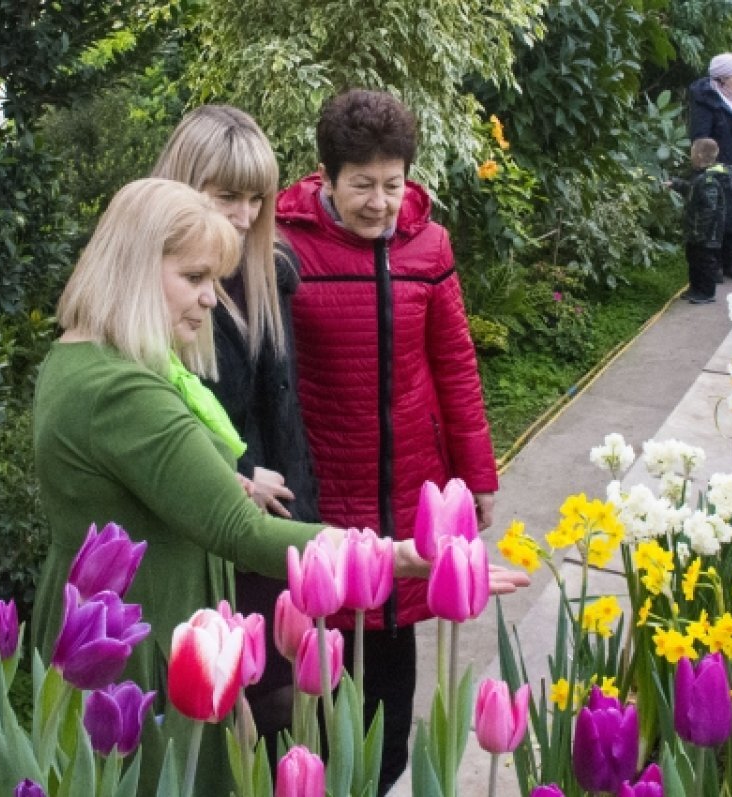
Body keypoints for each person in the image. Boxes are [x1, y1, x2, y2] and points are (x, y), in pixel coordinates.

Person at [29, 178, 442, 792]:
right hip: (141, 638)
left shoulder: (77, 359)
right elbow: (238, 530)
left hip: (102, 621)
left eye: (214, 282)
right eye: (194, 279)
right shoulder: (122, 391)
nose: (209, 301)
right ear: (137, 268)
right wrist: (390, 554)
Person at [275, 89, 499, 794]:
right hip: (323, 491)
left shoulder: (428, 244)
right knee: (320, 700)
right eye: (362, 185)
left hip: (409, 489)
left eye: (393, 184)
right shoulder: (286, 247)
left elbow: (455, 361)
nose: (380, 203)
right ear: (327, 176)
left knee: (390, 717)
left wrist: (476, 472)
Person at [151, 105, 320, 750]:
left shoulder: (267, 273)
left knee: (289, 705)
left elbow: (286, 410)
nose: (245, 216)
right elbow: (158, 412)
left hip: (284, 515)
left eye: (257, 198)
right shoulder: (162, 289)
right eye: (226, 197)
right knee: (232, 710)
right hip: (216, 530)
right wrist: (235, 478)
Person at [687, 52, 732, 281]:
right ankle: (713, 267)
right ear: (722, 78)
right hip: (717, 166)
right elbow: (700, 136)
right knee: (715, 218)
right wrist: (708, 163)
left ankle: (730, 263)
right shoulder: (707, 100)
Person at [673, 138, 732, 303]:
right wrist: (676, 184)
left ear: (698, 155)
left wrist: (700, 232)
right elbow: (693, 190)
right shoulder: (700, 177)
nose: (690, 155)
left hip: (707, 234)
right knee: (693, 259)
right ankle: (695, 288)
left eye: (692, 152)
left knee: (705, 262)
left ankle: (706, 292)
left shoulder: (709, 180)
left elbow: (709, 209)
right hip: (696, 231)